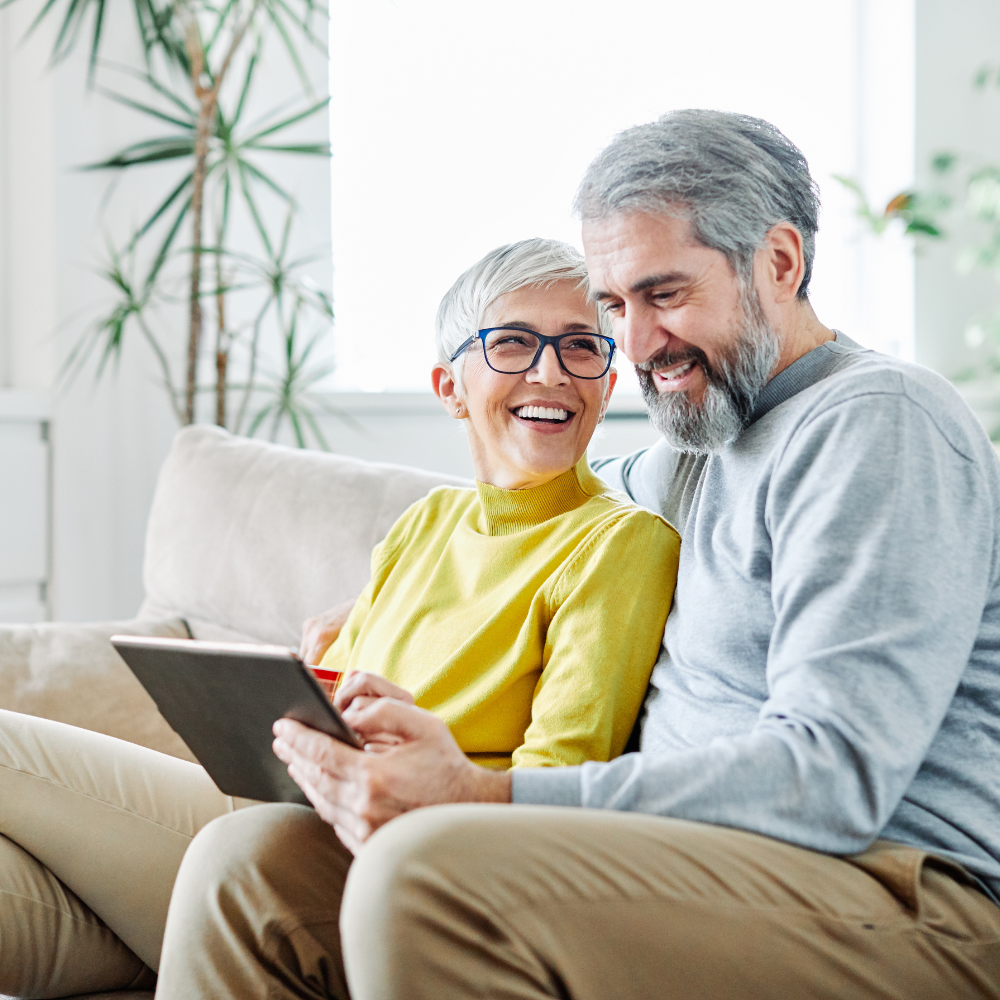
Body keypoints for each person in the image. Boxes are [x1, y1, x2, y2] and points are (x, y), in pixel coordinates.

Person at [152, 109, 1000, 999]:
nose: (635, 345)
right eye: (615, 307)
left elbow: (832, 778)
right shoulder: (702, 443)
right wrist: (377, 612)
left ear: (779, 264)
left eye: (665, 295)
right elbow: (526, 504)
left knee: (427, 868)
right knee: (253, 863)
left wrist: (482, 797)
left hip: (897, 892)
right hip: (694, 863)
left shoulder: (877, 424)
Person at [0, 241, 677, 998]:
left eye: (580, 347)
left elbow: (559, 785)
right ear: (450, 388)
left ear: (607, 383)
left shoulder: (619, 543)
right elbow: (337, 701)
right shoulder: (429, 522)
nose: (550, 372)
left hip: (396, 846)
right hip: (292, 806)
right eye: (514, 342)